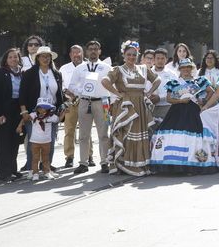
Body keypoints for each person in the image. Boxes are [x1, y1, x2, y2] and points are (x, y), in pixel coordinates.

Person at [150, 59, 217, 175]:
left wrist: (204, 101)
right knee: (174, 136)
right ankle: (172, 163)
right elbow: (169, 99)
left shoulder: (199, 81)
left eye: (188, 67)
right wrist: (181, 100)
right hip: (177, 111)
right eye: (183, 68)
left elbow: (211, 91)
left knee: (193, 135)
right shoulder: (174, 82)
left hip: (193, 111)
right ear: (180, 69)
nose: (186, 70)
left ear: (191, 68)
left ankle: (191, 163)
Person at [104, 43, 158, 176]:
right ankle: (123, 163)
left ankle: (139, 163)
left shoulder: (143, 69)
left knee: (139, 134)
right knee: (125, 133)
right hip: (125, 107)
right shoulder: (117, 69)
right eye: (128, 54)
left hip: (140, 104)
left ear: (138, 56)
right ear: (123, 55)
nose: (131, 57)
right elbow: (105, 81)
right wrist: (117, 93)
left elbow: (157, 79)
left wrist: (149, 92)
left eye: (134, 55)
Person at [18, 45, 63, 175]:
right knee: (34, 142)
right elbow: (23, 94)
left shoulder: (56, 73)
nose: (46, 59)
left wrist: (63, 107)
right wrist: (24, 111)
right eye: (43, 56)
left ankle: (46, 168)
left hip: (52, 111)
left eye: (48, 56)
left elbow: (59, 94)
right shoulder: (30, 73)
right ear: (37, 58)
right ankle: (33, 169)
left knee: (50, 141)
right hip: (34, 111)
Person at [71, 40, 111, 174]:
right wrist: (82, 91)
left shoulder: (106, 68)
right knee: (83, 135)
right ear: (86, 51)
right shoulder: (80, 68)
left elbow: (113, 86)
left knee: (104, 134)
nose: (93, 51)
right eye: (91, 49)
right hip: (84, 102)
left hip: (102, 102)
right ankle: (83, 163)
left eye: (96, 49)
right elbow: (72, 86)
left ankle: (105, 162)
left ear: (100, 51)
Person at [0, 48, 25, 182]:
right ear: (5, 59)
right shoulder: (0, 73)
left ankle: (12, 168)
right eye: (10, 57)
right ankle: (3, 172)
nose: (13, 60)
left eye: (15, 57)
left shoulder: (23, 73)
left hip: (18, 109)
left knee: (15, 141)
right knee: (3, 142)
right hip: (4, 110)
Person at [59, 45, 83, 169]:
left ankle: (88, 156)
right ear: (70, 55)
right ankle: (69, 157)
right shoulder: (64, 68)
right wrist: (68, 93)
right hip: (70, 101)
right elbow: (60, 84)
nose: (76, 55)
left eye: (78, 52)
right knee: (69, 130)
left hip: (84, 101)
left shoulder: (87, 67)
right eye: (73, 53)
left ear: (82, 54)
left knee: (86, 131)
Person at [26, 98, 60, 180]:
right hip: (35, 141)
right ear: (37, 108)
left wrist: (63, 113)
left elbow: (58, 120)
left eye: (45, 107)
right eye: (40, 107)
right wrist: (20, 124)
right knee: (35, 158)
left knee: (46, 158)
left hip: (46, 141)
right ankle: (35, 173)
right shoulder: (34, 115)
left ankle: (46, 172)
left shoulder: (51, 116)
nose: (42, 109)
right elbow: (26, 119)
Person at [150, 48, 173, 125]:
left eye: (162, 58)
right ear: (153, 59)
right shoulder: (147, 72)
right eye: (158, 58)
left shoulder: (172, 74)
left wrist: (160, 97)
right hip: (150, 107)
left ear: (166, 59)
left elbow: (176, 91)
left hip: (167, 107)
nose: (160, 61)